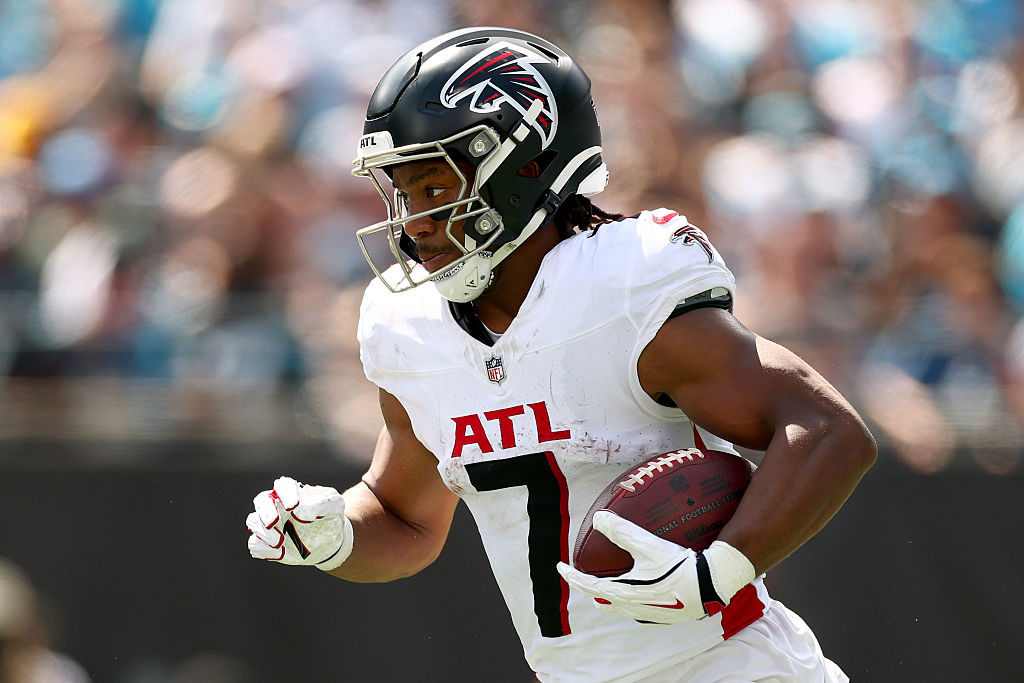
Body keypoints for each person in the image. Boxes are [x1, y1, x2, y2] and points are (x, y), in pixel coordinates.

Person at [245, 26, 877, 682]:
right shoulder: (410, 327)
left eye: (434, 187)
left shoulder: (622, 288)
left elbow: (829, 430)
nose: (413, 222)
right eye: (401, 192)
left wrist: (720, 570)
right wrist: (334, 533)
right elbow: (405, 516)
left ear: (524, 167)